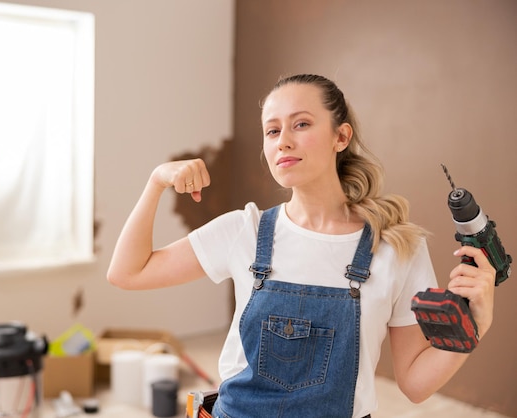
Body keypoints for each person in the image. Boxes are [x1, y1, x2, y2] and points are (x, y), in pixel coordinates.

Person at [107, 74, 496, 418]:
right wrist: (156, 182)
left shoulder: (396, 246)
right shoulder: (246, 230)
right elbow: (127, 272)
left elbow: (414, 384)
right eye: (272, 131)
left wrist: (477, 324)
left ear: (340, 137)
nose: (284, 142)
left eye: (302, 124)